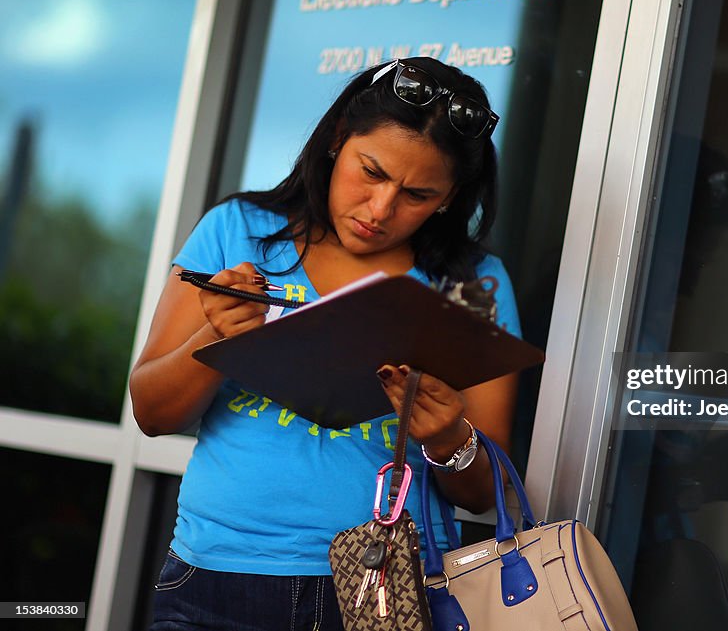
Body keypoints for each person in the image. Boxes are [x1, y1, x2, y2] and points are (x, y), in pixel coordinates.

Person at [130, 57, 521, 630]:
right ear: (338, 139)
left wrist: (447, 438)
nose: (381, 209)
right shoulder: (239, 232)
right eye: (372, 171)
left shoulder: (471, 287)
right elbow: (151, 413)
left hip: (388, 591)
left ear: (449, 197)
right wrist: (215, 336)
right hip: (218, 576)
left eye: (417, 194)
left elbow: (485, 492)